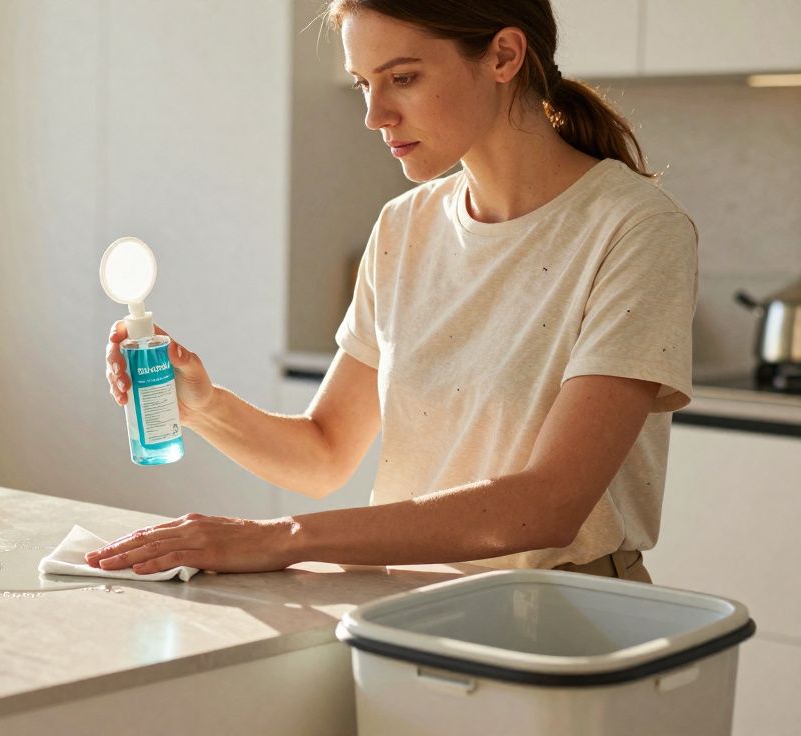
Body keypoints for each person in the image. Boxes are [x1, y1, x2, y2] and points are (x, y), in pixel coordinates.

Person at [87, 0, 698, 583]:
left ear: (504, 56)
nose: (375, 115)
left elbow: (549, 504)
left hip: (564, 623)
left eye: (402, 77)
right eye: (362, 84)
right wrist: (204, 407)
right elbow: (324, 453)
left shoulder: (635, 229)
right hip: (404, 612)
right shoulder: (404, 227)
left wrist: (281, 538)